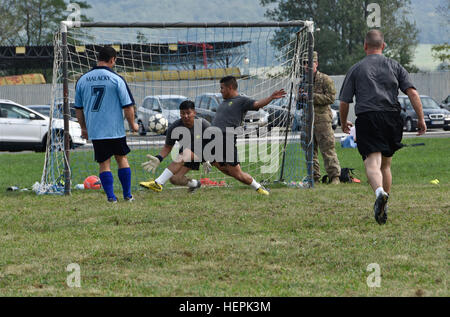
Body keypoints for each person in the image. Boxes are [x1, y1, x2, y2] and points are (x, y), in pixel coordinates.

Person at [339, 29, 426, 225]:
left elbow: (344, 102)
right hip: (392, 118)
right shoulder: (395, 66)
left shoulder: (356, 68)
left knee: (372, 162)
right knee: (385, 164)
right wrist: (421, 119)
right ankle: (384, 206)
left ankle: (379, 193)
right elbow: (412, 93)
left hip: (368, 117)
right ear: (384, 46)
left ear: (365, 46)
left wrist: (344, 123)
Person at [75, 46, 139, 203]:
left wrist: (84, 128)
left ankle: (111, 197)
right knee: (121, 159)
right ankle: (128, 195)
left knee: (104, 163)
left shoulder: (82, 79)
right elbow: (128, 106)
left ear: (98, 58)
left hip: (97, 130)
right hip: (115, 129)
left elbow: (78, 109)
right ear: (113, 60)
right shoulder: (116, 79)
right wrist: (133, 124)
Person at [208, 76, 286, 195]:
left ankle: (259, 188)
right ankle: (250, 181)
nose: (220, 90)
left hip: (226, 139)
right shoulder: (224, 102)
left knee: (237, 174)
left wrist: (271, 97)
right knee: (217, 163)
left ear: (230, 87)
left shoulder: (241, 101)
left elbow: (257, 104)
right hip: (215, 138)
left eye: (222, 88)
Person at [139, 100, 211, 192]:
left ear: (194, 113)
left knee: (229, 168)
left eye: (188, 113)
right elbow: (168, 147)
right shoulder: (174, 127)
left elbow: (215, 140)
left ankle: (158, 183)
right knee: (175, 179)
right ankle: (195, 184)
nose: (185, 116)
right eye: (182, 113)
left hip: (205, 152)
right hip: (189, 154)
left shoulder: (203, 124)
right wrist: (159, 158)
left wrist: (207, 157)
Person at [302, 51, 341, 184]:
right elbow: (298, 99)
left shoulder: (325, 79)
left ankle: (334, 176)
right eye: (305, 63)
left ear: (316, 64)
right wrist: (300, 97)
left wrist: (312, 97)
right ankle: (313, 177)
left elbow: (331, 98)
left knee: (328, 149)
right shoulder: (303, 81)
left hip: (323, 120)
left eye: (310, 63)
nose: (307, 66)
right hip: (307, 120)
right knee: (309, 150)